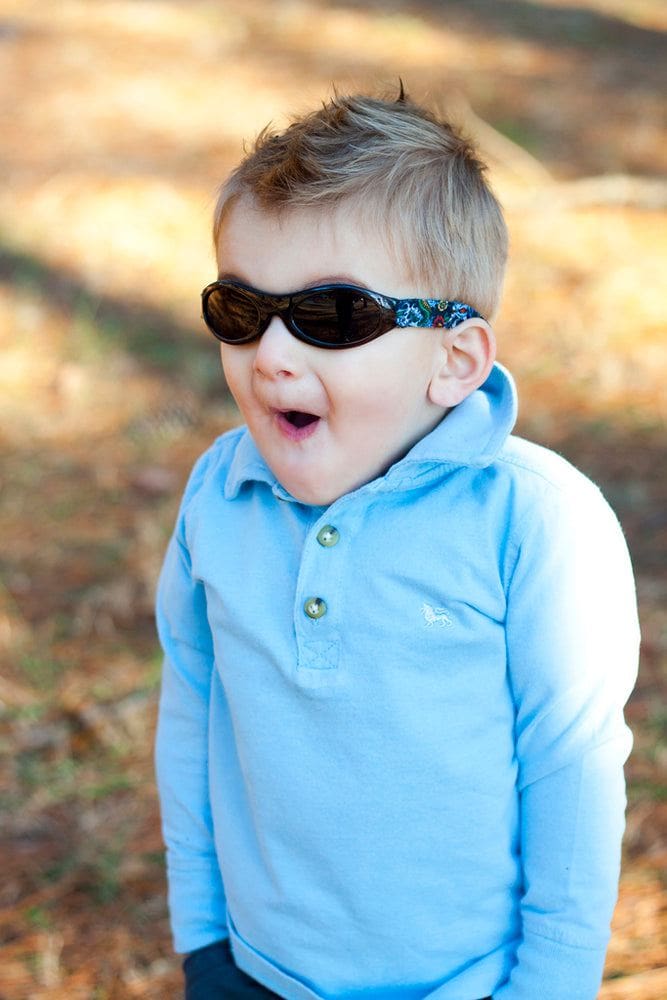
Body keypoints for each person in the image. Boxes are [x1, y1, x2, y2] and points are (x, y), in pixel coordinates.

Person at [155, 88, 639, 1000]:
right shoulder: (221, 494)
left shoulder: (535, 523)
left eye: (331, 317)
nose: (271, 355)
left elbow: (570, 772)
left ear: (455, 360)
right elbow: (192, 707)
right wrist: (204, 936)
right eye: (240, 310)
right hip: (252, 971)